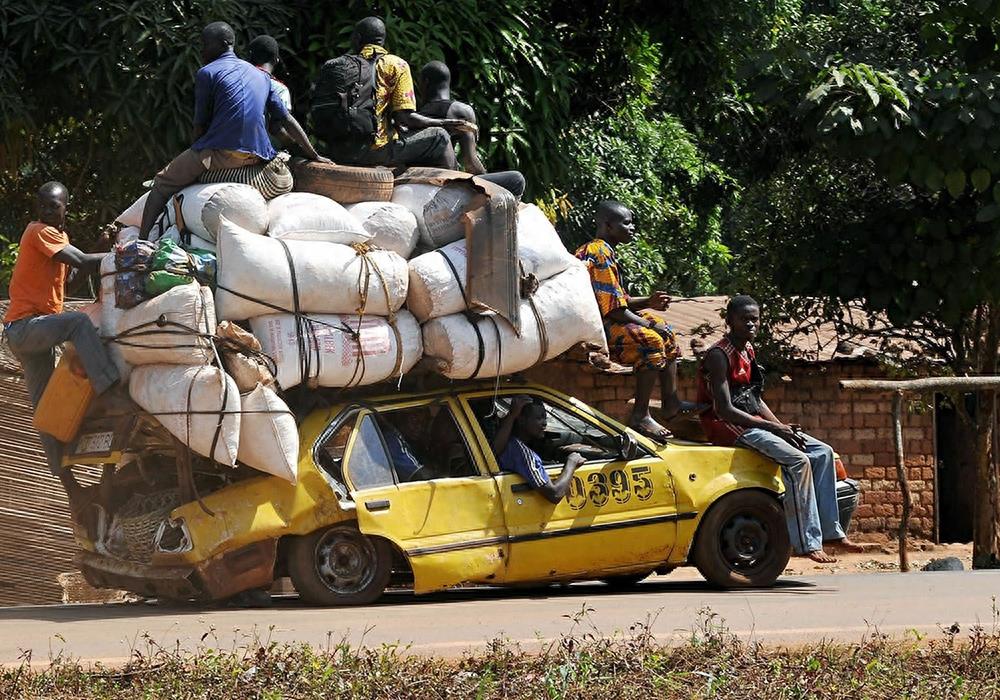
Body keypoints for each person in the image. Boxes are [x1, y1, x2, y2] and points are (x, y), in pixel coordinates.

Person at [697, 294, 864, 563]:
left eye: (755, 320)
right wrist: (772, 428)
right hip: (728, 427)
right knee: (798, 461)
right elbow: (725, 410)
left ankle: (831, 533)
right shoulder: (719, 355)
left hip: (751, 421)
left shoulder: (748, 351)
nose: (751, 324)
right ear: (729, 321)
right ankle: (808, 543)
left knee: (822, 452)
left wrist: (780, 427)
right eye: (744, 319)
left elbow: (754, 399)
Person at [138, 22, 329, 238]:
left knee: (162, 182)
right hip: (258, 156)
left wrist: (195, 158)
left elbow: (199, 125)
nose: (201, 50)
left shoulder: (207, 73)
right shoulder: (262, 77)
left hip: (221, 153)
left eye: (205, 44)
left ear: (221, 44)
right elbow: (286, 119)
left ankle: (141, 242)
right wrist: (314, 154)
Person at [3, 182, 120, 482]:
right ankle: (109, 389)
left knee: (45, 408)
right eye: (43, 206)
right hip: (26, 328)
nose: (47, 211)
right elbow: (80, 261)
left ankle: (66, 480)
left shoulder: (58, 239)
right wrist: (121, 258)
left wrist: (99, 245)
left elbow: (72, 284)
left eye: (53, 206)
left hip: (32, 335)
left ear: (66, 207)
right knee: (78, 323)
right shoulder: (37, 231)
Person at [576, 201, 681, 442]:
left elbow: (620, 300)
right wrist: (648, 326)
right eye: (626, 223)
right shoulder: (598, 252)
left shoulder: (605, 251)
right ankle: (640, 415)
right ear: (608, 225)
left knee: (666, 329)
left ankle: (671, 402)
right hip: (597, 326)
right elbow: (613, 311)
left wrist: (649, 303)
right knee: (652, 340)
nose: (632, 228)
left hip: (609, 318)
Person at [317, 17, 468, 168]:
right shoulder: (396, 65)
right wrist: (443, 123)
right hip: (374, 151)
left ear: (357, 39)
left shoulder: (339, 67)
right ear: (382, 40)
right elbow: (404, 118)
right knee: (439, 136)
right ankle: (453, 185)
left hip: (335, 149)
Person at [417, 60, 527, 199]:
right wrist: (485, 180)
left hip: (423, 181)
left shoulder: (416, 116)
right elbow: (471, 163)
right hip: (447, 182)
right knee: (516, 179)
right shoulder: (460, 111)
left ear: (425, 82)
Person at [492, 396, 586, 504]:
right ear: (522, 421)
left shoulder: (509, 443)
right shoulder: (523, 454)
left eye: (545, 418)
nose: (545, 423)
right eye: (539, 418)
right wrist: (571, 462)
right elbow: (555, 494)